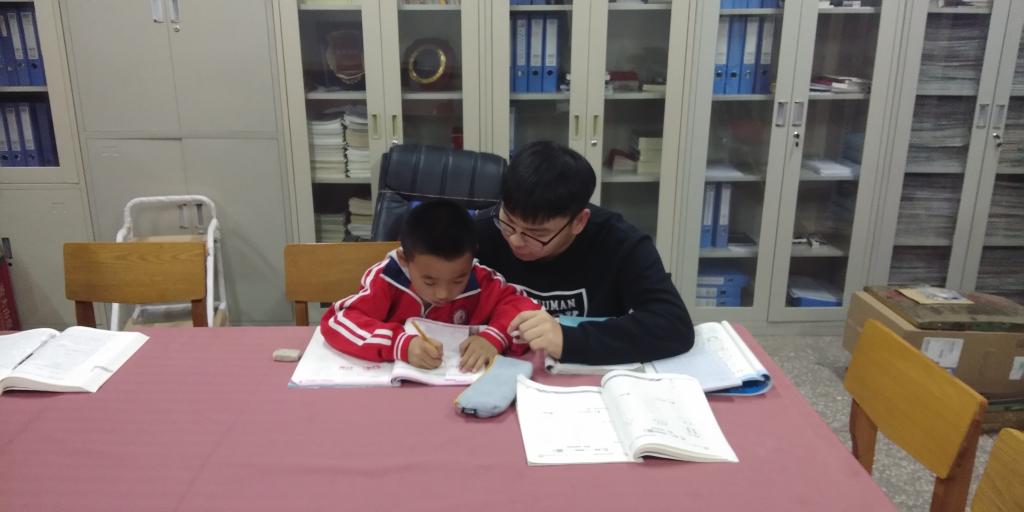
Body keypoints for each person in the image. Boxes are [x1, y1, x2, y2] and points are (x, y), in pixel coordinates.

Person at [475, 140, 695, 365]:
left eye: (537, 234)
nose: (515, 240)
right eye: (508, 222)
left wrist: (568, 340)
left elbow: (674, 325)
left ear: (579, 221)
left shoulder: (619, 242)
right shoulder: (479, 233)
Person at [320, 199, 538, 372]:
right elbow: (338, 321)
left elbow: (525, 309)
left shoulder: (481, 280)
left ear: (472, 259)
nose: (443, 293)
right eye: (429, 281)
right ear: (404, 260)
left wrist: (494, 338)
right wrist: (400, 344)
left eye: (458, 280)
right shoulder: (386, 278)